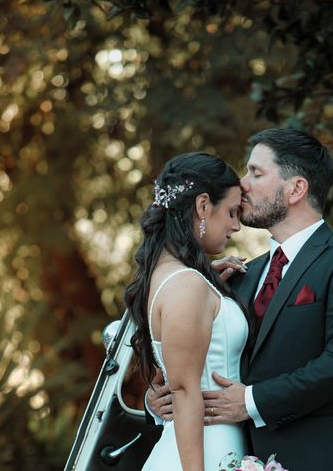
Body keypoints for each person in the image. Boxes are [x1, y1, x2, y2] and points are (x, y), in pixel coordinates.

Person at [149, 128, 333, 470]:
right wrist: (158, 400)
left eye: (256, 173)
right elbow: (210, 360)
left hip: (327, 459)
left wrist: (250, 401)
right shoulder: (243, 276)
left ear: (296, 189)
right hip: (239, 458)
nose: (242, 184)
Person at [125, 152, 252, 471]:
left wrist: (207, 280)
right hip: (203, 452)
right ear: (203, 206)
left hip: (213, 445)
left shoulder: (175, 278)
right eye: (232, 212)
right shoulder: (187, 285)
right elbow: (183, 391)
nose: (236, 226)